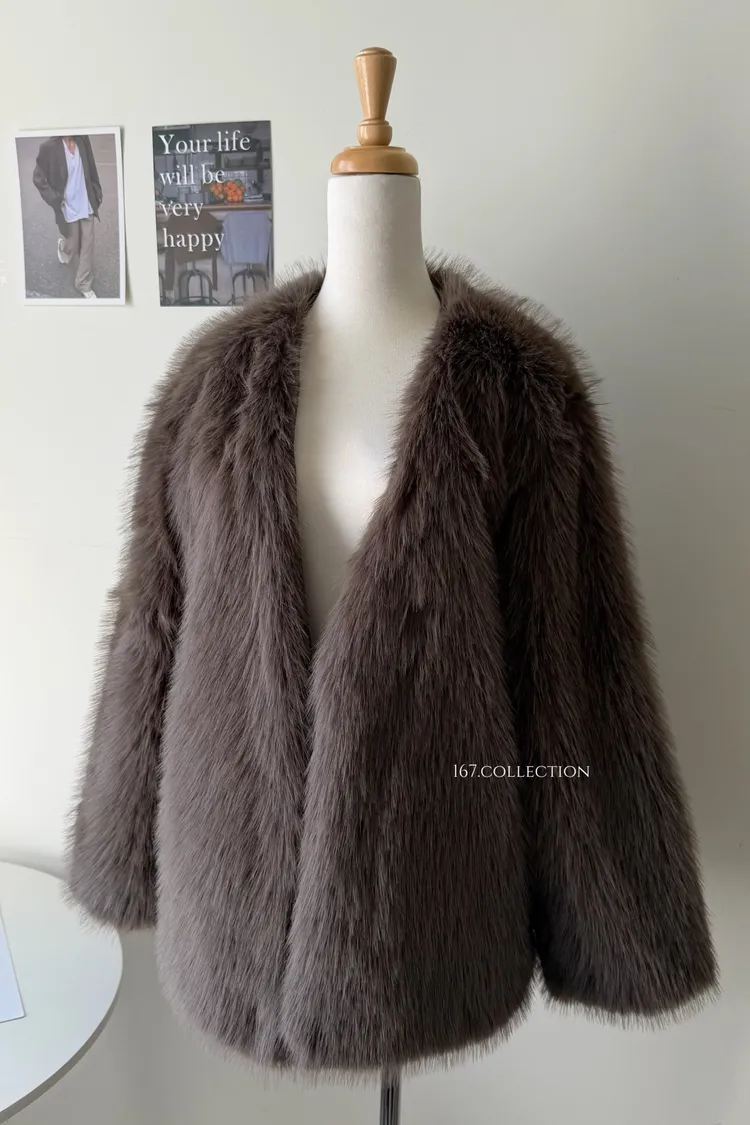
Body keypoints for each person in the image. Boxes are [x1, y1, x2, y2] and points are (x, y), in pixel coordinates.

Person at [32, 135, 103, 300]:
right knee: (73, 244)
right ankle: (64, 247)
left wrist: (97, 190)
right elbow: (38, 178)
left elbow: (91, 167)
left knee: (87, 244)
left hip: (86, 201)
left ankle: (83, 283)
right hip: (67, 205)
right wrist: (54, 198)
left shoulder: (82, 139)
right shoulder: (49, 147)